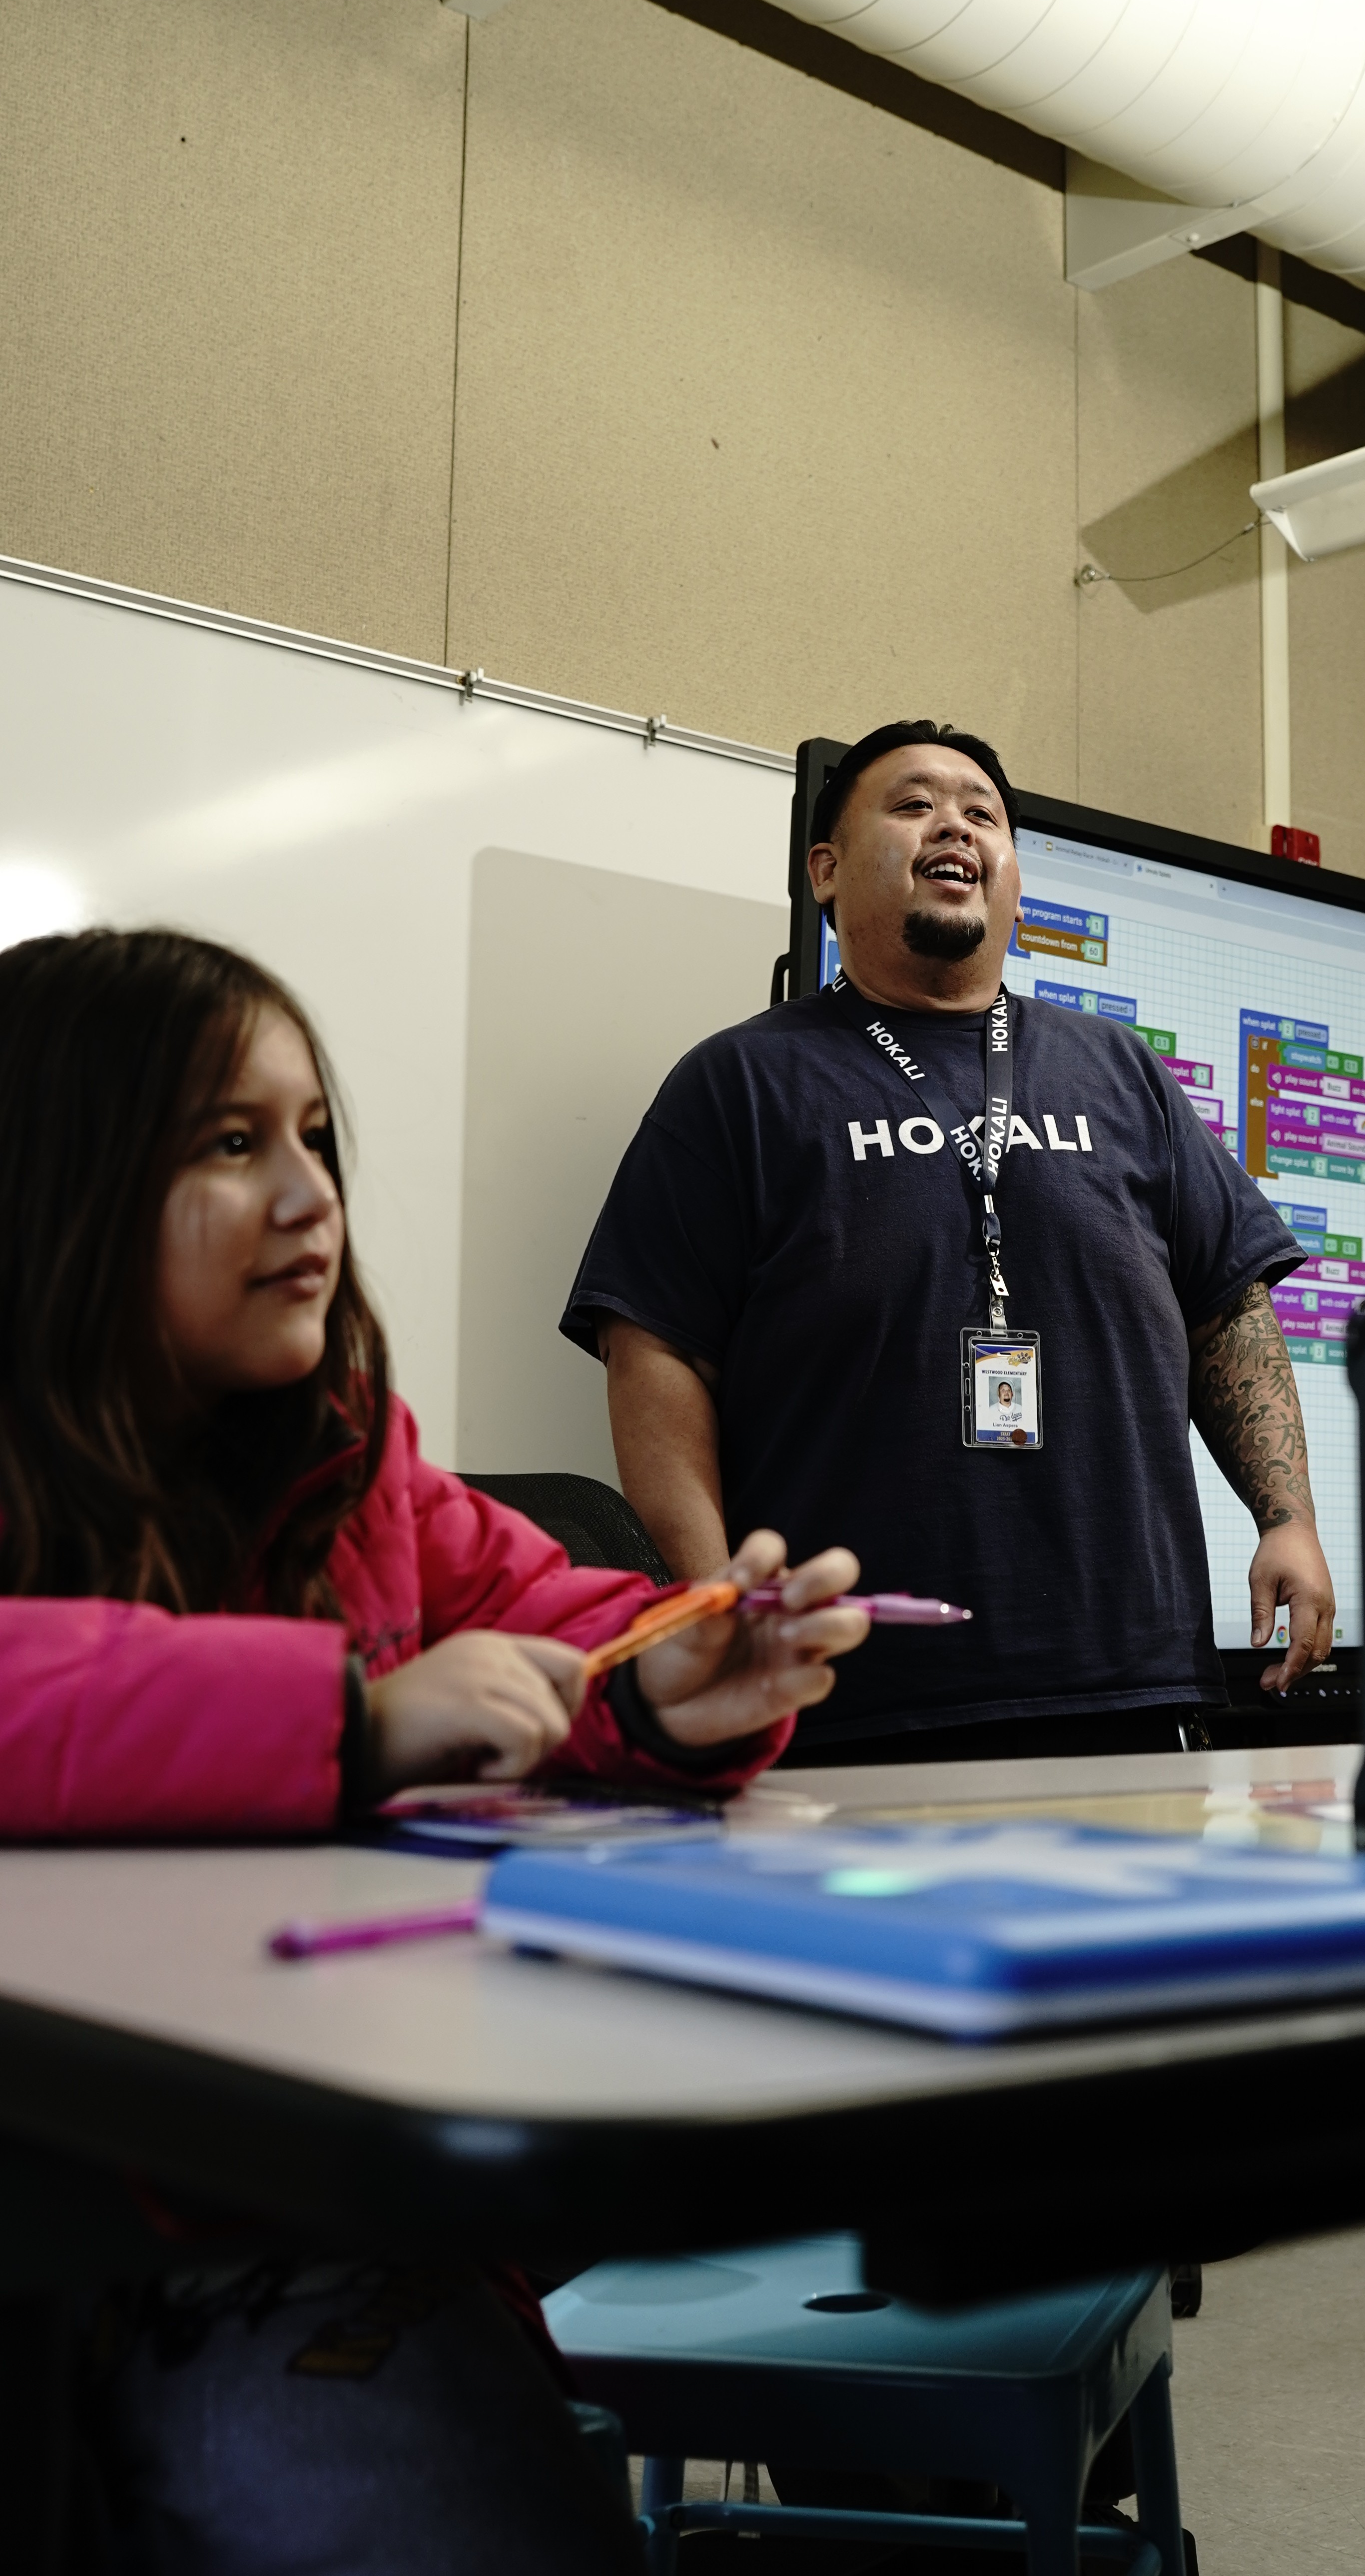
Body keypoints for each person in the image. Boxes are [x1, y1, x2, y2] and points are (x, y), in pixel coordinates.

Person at [0, 926, 866, 2572]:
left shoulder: (348, 1468)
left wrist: (670, 1682)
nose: (313, 1194)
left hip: (292, 2227)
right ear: (56, 1190)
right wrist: (349, 1717)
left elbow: (555, 1609)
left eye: (317, 1135)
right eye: (230, 1142)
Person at [564, 718, 1335, 1762]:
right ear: (825, 871)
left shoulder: (1121, 1072)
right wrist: (715, 1599)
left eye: (982, 813)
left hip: (1129, 1688)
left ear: (1014, 878)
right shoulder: (736, 1084)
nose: (956, 826)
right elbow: (652, 1347)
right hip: (845, 1695)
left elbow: (1226, 1304)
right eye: (914, 803)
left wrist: (1285, 1517)